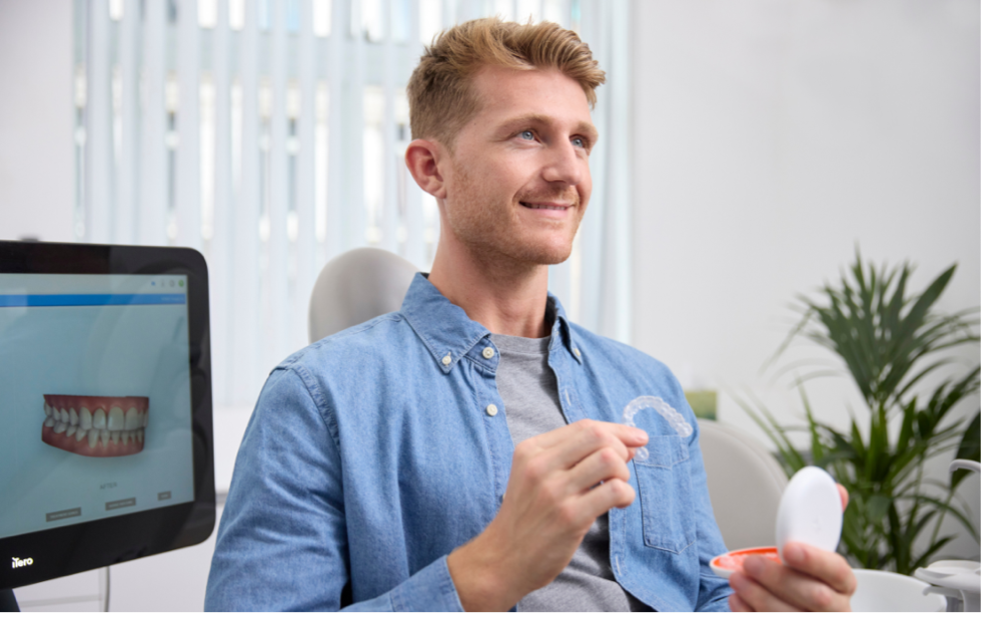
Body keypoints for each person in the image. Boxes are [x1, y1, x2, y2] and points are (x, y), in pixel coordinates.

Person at [205, 18, 857, 613]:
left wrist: (761, 604)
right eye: (527, 134)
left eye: (580, 140)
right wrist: (486, 571)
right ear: (430, 167)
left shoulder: (646, 385)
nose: (567, 170)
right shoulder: (317, 399)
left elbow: (703, 587)